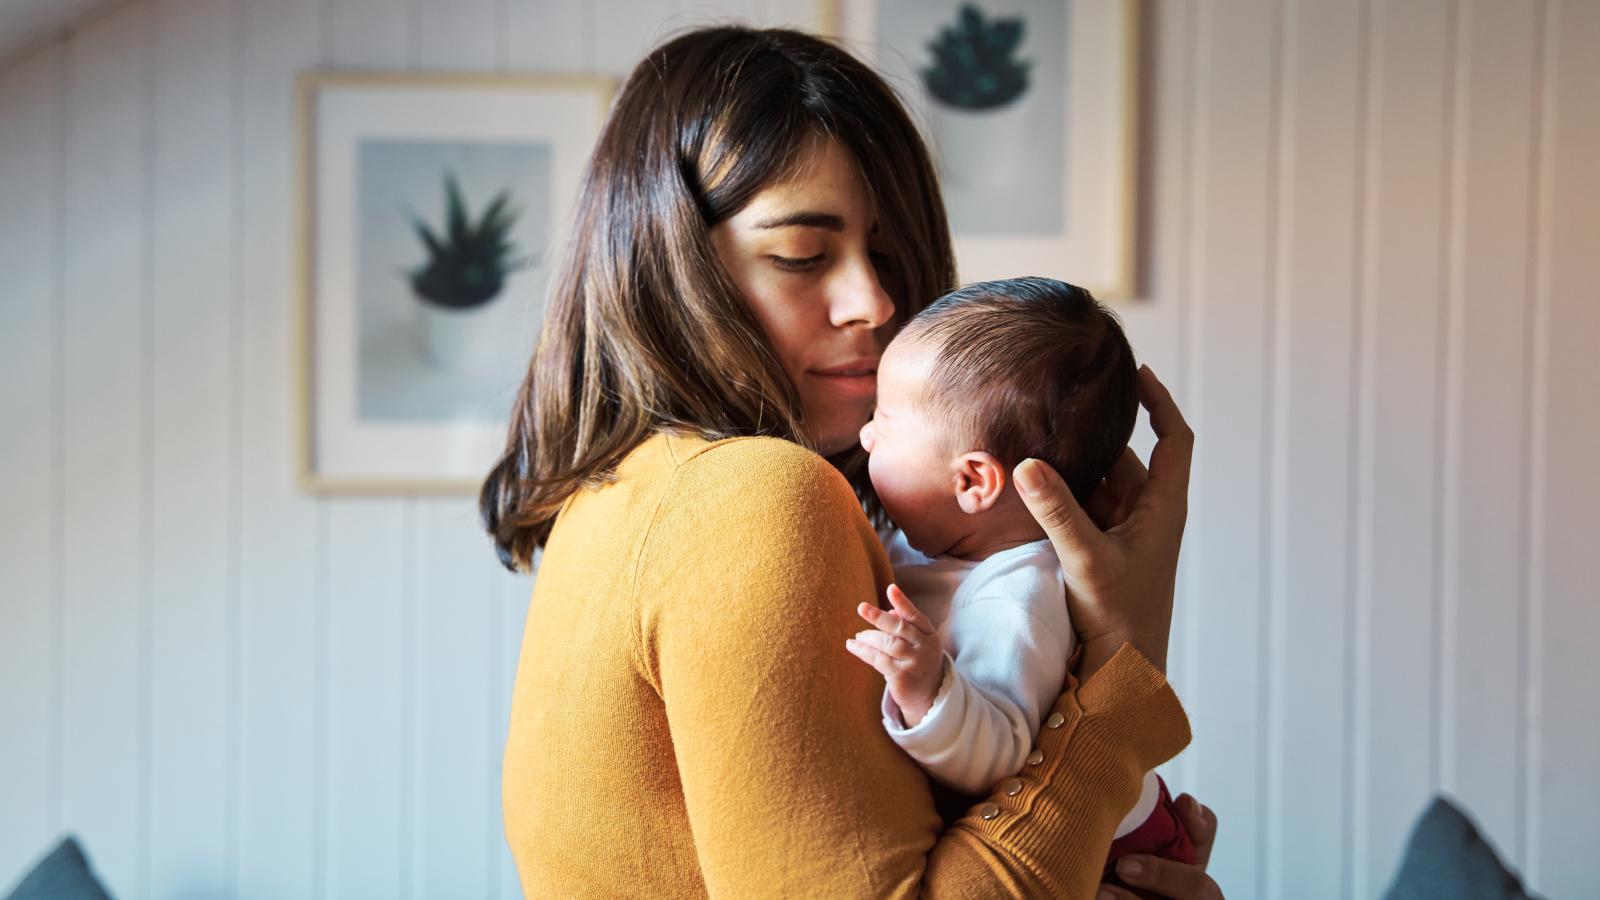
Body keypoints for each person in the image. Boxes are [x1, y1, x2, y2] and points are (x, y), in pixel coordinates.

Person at [480, 24, 1223, 899]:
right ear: (671, 268)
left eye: (891, 254)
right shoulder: (749, 497)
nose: (875, 301)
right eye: (802, 254)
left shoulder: (623, 495)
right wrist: (1121, 672)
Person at [848, 278, 1196, 894]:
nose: (866, 435)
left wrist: (930, 688)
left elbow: (1003, 753)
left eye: (884, 420)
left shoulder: (1016, 598)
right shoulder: (940, 546)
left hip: (1111, 851)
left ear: (974, 482)